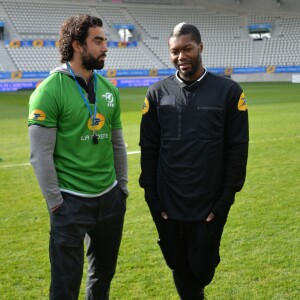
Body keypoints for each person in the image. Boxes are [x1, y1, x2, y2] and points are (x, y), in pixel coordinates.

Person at [139, 22, 249, 300]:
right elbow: (149, 148)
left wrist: (225, 198)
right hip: (168, 201)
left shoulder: (229, 92)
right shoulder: (156, 93)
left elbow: (238, 148)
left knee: (202, 268)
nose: (181, 56)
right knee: (178, 263)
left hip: (209, 201)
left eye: (187, 49)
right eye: (175, 51)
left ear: (200, 47)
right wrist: (151, 196)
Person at [28, 15, 128, 300]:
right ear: (76, 45)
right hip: (70, 202)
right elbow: (40, 155)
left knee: (102, 277)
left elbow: (118, 145)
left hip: (110, 199)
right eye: (98, 41)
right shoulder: (48, 91)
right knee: (65, 284)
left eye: (105, 40)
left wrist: (121, 188)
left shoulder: (109, 90)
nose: (105, 47)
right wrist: (57, 204)